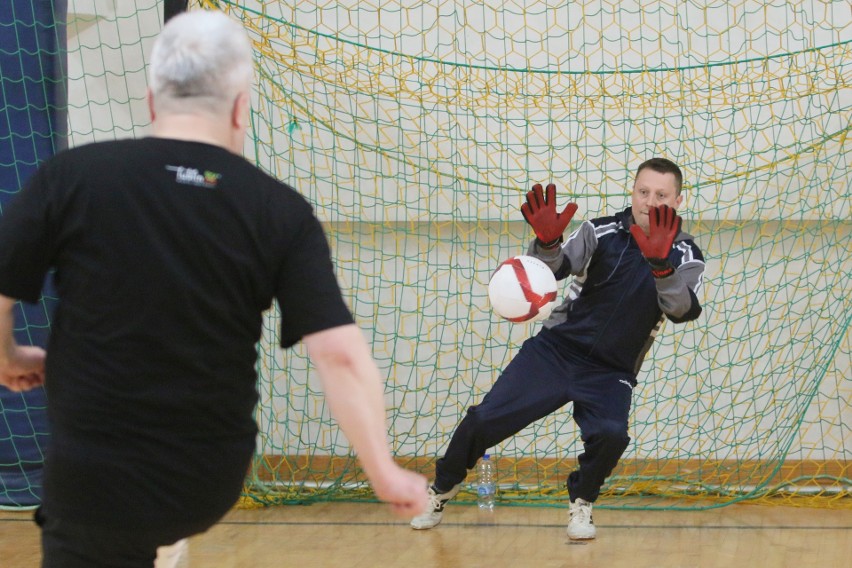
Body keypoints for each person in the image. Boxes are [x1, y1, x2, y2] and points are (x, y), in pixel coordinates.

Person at [0, 10, 427, 567]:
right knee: (145, 525)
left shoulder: (72, 176)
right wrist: (383, 473)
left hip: (92, 478)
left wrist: (9, 356)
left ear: (153, 101)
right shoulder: (278, 209)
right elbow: (340, 356)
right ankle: (159, 539)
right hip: (205, 479)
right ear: (240, 105)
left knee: (95, 526)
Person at [410, 158, 705, 540]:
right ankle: (441, 488)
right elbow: (553, 268)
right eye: (642, 191)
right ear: (632, 191)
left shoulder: (686, 255)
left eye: (661, 195)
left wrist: (660, 266)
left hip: (610, 370)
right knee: (483, 420)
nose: (649, 201)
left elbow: (682, 311)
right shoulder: (600, 231)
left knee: (612, 435)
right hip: (555, 351)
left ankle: (582, 501)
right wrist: (547, 243)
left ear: (678, 201)